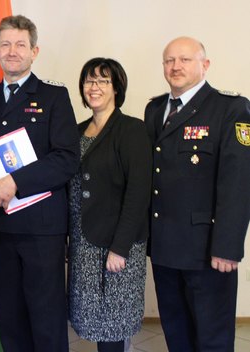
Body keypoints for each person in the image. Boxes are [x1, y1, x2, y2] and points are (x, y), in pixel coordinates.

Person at [0, 15, 79, 351]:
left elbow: (66, 158)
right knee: (10, 318)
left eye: (20, 45)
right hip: (0, 225)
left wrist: (15, 181)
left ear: (34, 51)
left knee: (46, 317)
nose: (12, 51)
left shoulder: (53, 96)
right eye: (5, 44)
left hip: (41, 228)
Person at [145, 36, 250, 351]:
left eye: (185, 59)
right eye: (169, 60)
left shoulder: (230, 108)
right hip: (163, 246)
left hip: (207, 250)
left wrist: (228, 246)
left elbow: (239, 182)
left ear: (205, 65)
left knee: (212, 337)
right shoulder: (154, 109)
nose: (176, 66)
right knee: (176, 333)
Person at [67, 58, 152, 352]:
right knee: (94, 319)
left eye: (103, 81)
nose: (95, 87)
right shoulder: (75, 131)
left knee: (115, 322)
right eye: (89, 80)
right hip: (84, 242)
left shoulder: (131, 130)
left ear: (116, 87)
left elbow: (139, 192)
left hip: (116, 243)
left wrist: (121, 246)